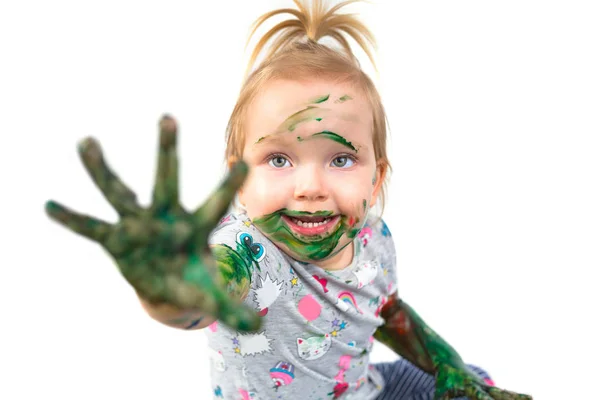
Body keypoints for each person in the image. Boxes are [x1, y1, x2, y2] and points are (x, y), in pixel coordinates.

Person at [45, 1, 532, 399]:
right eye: (279, 159)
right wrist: (169, 286)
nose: (310, 187)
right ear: (238, 179)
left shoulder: (373, 236)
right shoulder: (245, 253)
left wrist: (446, 365)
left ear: (375, 178)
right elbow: (201, 301)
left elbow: (386, 312)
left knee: (474, 380)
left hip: (363, 390)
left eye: (340, 160)